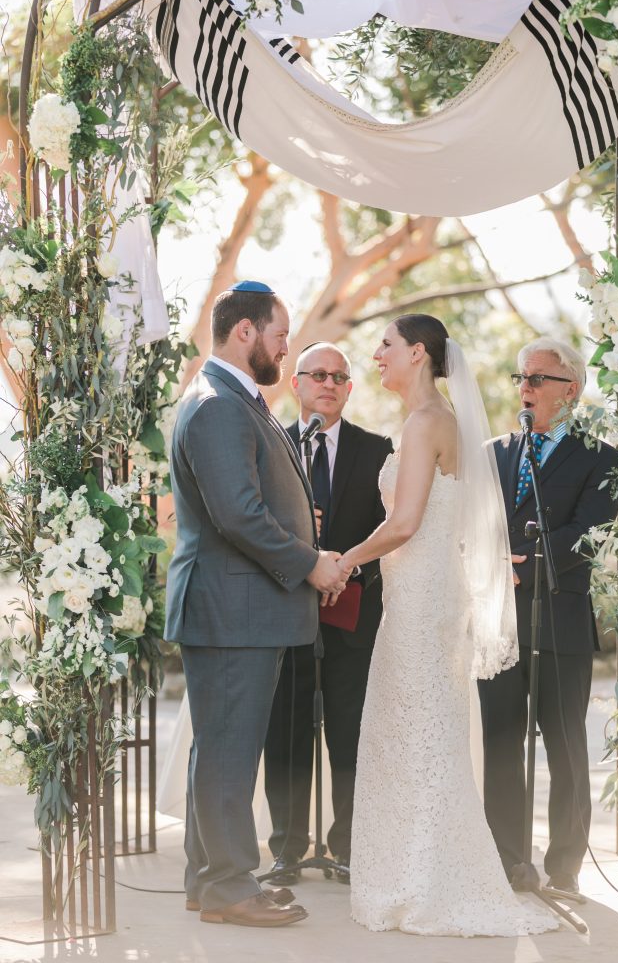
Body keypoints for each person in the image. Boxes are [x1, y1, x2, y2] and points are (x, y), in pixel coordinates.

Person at [339, 314, 557, 936]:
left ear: (417, 353)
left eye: (385, 345)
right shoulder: (432, 423)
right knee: (418, 732)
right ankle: (420, 869)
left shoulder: (428, 423)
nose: (376, 355)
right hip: (424, 595)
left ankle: (425, 879)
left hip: (423, 602)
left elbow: (405, 522)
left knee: (418, 733)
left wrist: (345, 562)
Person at [164, 281, 348, 928]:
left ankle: (207, 879)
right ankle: (229, 887)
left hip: (238, 608)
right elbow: (239, 516)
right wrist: (311, 563)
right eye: (279, 335)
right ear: (245, 332)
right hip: (231, 609)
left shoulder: (237, 400)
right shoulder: (217, 404)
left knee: (218, 746)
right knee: (229, 750)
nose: (284, 348)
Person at [479, 338, 618, 895]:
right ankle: (510, 859)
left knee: (564, 747)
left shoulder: (603, 457)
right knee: (501, 743)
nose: (526, 388)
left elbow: (588, 531)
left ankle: (564, 868)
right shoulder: (495, 451)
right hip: (499, 623)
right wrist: (494, 565)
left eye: (538, 379)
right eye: (522, 378)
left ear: (572, 390)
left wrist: (526, 563)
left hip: (560, 620)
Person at [264, 343, 393, 884]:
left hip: (353, 614)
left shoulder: (377, 448)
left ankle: (347, 847)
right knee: (287, 734)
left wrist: (347, 574)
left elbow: (391, 533)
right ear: (296, 383)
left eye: (340, 377)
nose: (330, 383)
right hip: (285, 612)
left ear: (349, 388)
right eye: (318, 374)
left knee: (349, 734)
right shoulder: (268, 444)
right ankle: (288, 849)